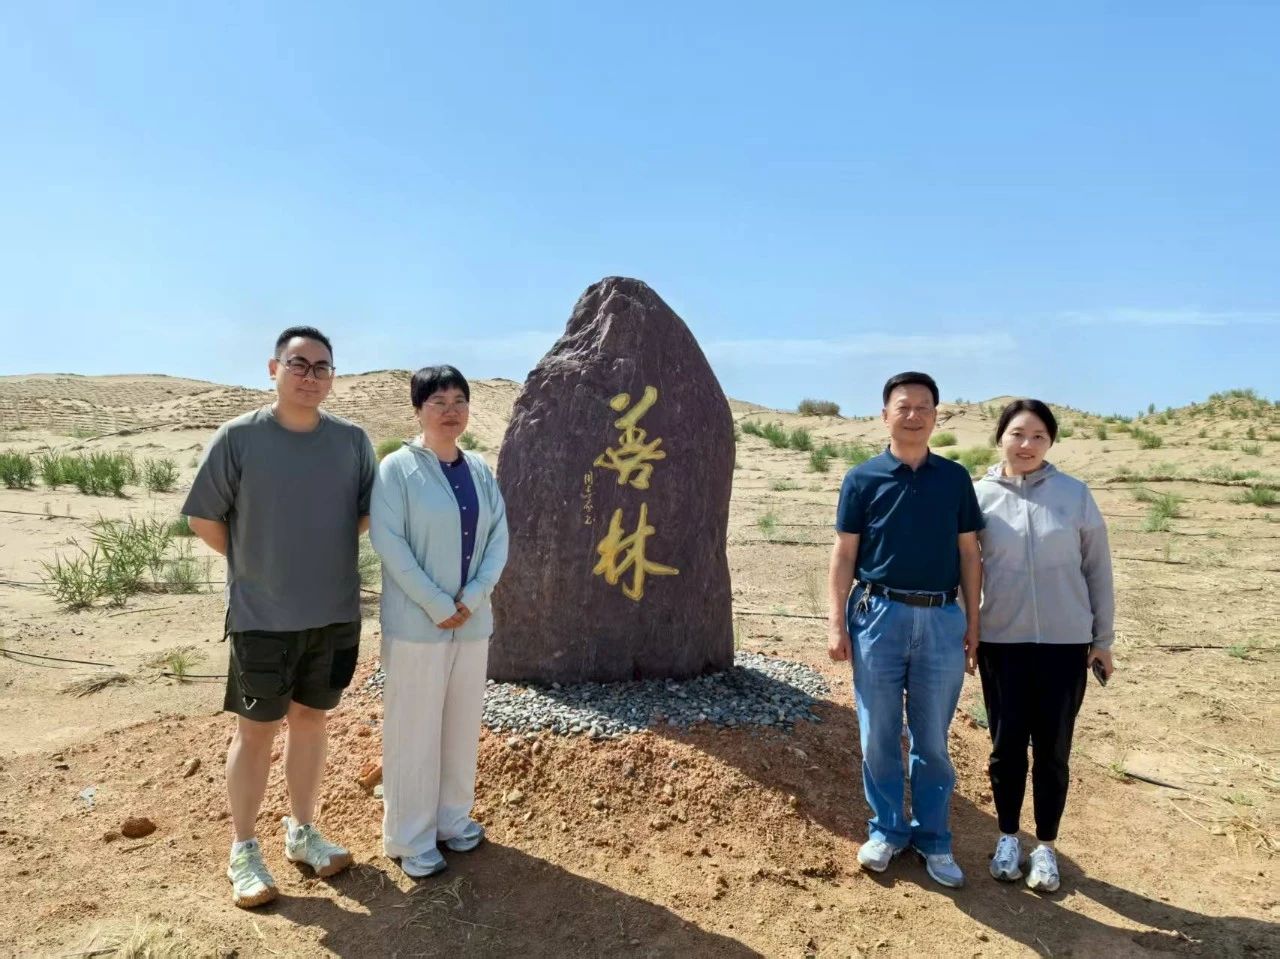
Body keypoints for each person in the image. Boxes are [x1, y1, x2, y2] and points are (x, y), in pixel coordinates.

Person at [184, 326, 376, 908]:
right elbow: (204, 518)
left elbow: (365, 513)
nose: (310, 376)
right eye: (298, 364)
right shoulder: (238, 438)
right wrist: (256, 565)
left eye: (321, 367)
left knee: (312, 721)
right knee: (256, 730)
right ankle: (244, 850)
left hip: (333, 612)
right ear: (274, 370)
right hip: (261, 616)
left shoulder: (352, 441)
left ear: (333, 376)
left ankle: (303, 832)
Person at [827, 371, 984, 888]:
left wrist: (973, 622)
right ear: (884, 415)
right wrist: (836, 623)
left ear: (936, 416)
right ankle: (887, 830)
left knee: (932, 737)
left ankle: (934, 839)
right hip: (878, 615)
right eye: (903, 406)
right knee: (878, 732)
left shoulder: (954, 479)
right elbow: (844, 553)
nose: (913, 415)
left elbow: (969, 553)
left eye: (923, 407)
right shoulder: (862, 478)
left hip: (941, 619)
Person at [370, 365, 509, 878]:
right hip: (417, 625)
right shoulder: (397, 469)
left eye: (459, 401)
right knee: (414, 730)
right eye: (438, 401)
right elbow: (389, 542)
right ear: (418, 410)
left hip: (471, 622)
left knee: (460, 725)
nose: (451, 411)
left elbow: (498, 539)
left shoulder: (479, 470)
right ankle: (409, 837)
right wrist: (436, 603)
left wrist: (472, 597)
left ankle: (452, 820)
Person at [975, 399, 1115, 893]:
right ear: (1000, 438)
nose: (1027, 444)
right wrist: (967, 633)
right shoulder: (978, 496)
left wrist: (1102, 640)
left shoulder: (1075, 495)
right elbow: (966, 570)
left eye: (1038, 435)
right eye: (1017, 434)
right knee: (1006, 748)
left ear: (1051, 441)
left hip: (1065, 644)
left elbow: (1097, 569)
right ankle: (1008, 838)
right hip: (1001, 643)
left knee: (1053, 751)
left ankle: (1046, 847)